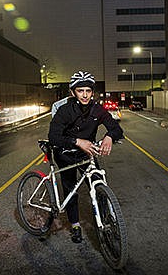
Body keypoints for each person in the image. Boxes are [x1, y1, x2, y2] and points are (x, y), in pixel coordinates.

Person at [48, 71, 124, 243]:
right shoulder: (64, 111)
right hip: (65, 153)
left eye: (88, 91)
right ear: (73, 92)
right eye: (80, 90)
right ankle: (75, 225)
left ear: (92, 92)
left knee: (98, 182)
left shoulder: (98, 109)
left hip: (86, 153)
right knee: (71, 189)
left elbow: (116, 128)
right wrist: (77, 141)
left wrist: (110, 136)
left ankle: (108, 221)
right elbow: (54, 137)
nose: (84, 95)